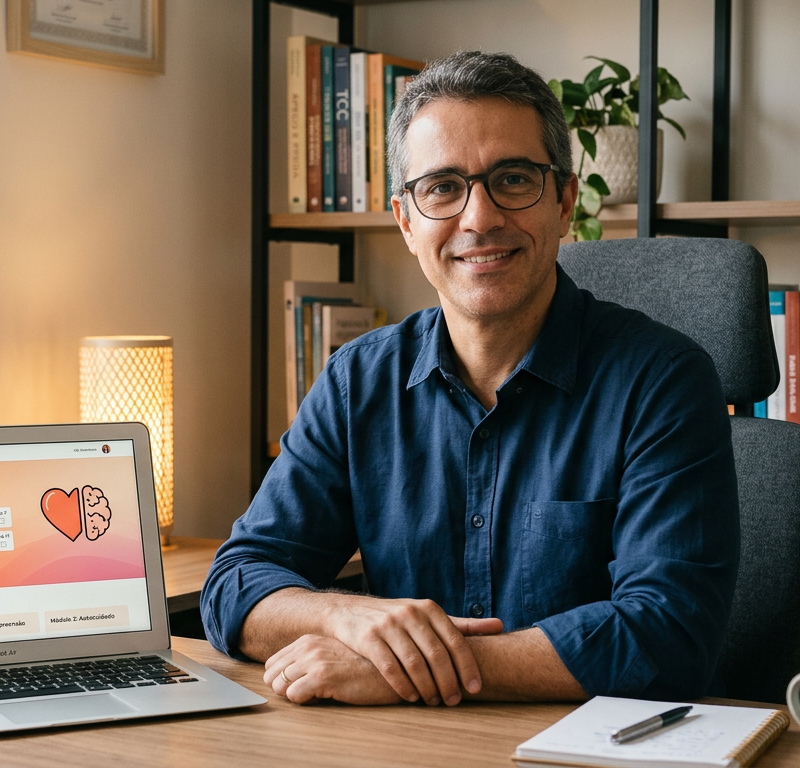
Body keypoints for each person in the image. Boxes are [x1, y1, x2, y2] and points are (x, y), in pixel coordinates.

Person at [201, 51, 739, 707]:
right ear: (405, 219)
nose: (479, 219)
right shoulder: (358, 381)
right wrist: (346, 618)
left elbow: (669, 636)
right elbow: (236, 582)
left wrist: (403, 671)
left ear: (565, 201)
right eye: (442, 187)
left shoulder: (663, 381)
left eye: (513, 180)